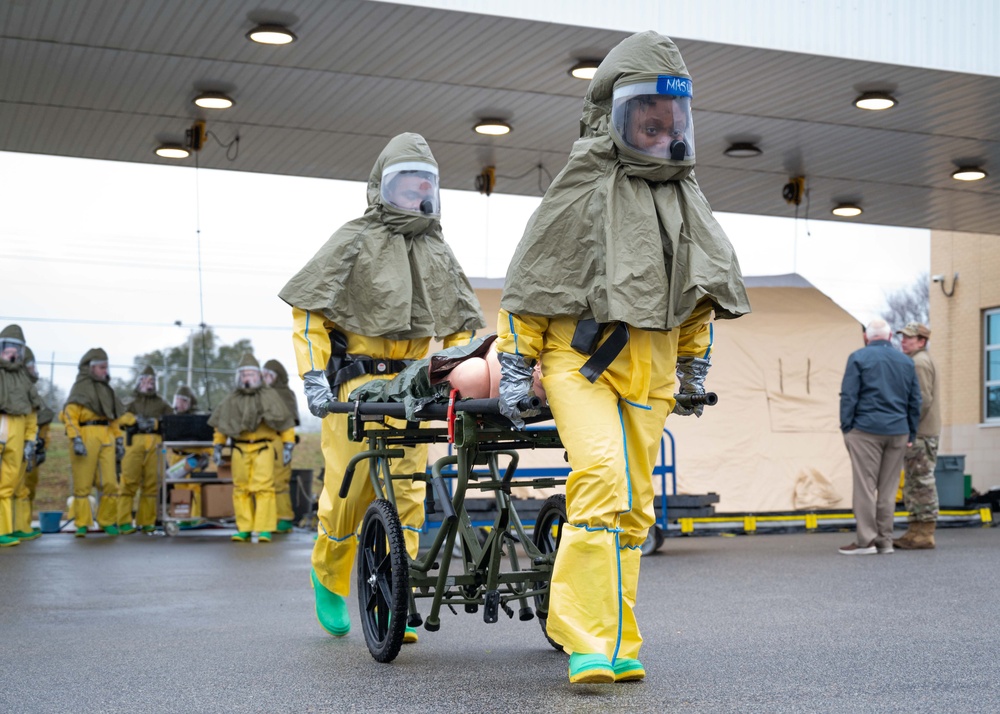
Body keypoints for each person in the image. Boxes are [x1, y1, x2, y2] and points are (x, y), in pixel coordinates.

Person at [496, 32, 750, 684]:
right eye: (647, 118)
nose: (662, 131)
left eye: (672, 120)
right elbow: (533, 279)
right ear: (616, 115)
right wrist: (518, 363)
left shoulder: (686, 193)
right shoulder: (581, 183)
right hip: (580, 366)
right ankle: (584, 638)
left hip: (653, 367)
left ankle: (617, 641)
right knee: (604, 482)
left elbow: (700, 289)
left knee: (635, 506)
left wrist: (694, 362)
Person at [279, 132, 485, 641]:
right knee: (348, 493)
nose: (418, 194)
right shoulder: (354, 238)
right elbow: (308, 309)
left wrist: (458, 371)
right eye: (406, 184)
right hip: (356, 390)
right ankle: (327, 577)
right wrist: (312, 374)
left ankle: (396, 592)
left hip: (415, 390)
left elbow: (460, 324)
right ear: (382, 188)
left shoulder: (437, 250)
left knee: (409, 494)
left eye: (426, 185)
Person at [838, 319, 921, 556]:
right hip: (898, 431)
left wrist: (846, 427)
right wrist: (911, 432)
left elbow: (849, 395)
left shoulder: (858, 358)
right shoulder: (906, 361)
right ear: (889, 337)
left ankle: (867, 541)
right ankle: (885, 541)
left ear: (867, 337)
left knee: (865, 488)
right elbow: (915, 400)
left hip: (865, 430)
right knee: (888, 488)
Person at [208, 354, 296, 543]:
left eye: (251, 374)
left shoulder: (270, 396)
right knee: (241, 489)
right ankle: (244, 528)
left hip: (264, 448)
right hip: (239, 449)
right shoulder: (231, 399)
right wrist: (218, 446)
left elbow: (285, 422)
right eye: (244, 374)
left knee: (264, 488)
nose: (248, 378)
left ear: (258, 376)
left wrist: (288, 445)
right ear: (240, 377)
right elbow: (221, 425)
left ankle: (264, 528)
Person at [62, 347, 125, 537]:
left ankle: (107, 521)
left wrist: (119, 440)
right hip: (85, 435)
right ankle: (82, 523)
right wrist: (76, 438)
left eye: (106, 367)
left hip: (106, 436)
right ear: (91, 368)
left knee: (110, 482)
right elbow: (70, 416)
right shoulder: (80, 389)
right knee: (83, 482)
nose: (105, 371)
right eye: (101, 367)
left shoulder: (107, 391)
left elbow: (113, 418)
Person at [894, 322, 941, 549]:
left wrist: (909, 428)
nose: (903, 341)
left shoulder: (919, 363)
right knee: (914, 481)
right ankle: (915, 531)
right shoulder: (918, 360)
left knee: (921, 481)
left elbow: (922, 401)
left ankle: (924, 533)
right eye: (902, 337)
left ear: (921, 341)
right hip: (922, 431)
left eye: (909, 338)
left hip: (920, 432)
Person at [0, 325, 43, 547]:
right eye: (8, 348)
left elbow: (32, 415)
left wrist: (29, 440)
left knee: (10, 482)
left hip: (17, 432)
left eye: (17, 348)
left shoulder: (24, 380)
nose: (12, 353)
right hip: (3, 426)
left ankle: (9, 529)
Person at [117, 366, 173, 535]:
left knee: (152, 484)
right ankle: (124, 521)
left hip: (155, 444)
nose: (149, 384)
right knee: (128, 481)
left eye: (152, 381)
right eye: (145, 380)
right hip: (133, 442)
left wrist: (155, 424)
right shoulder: (129, 401)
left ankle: (147, 521)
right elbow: (118, 417)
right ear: (139, 382)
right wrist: (133, 420)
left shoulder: (162, 403)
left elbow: (171, 421)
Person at [12, 346, 55, 541]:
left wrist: (42, 447)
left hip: (30, 449)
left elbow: (42, 422)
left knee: (26, 488)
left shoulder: (32, 392)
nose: (34, 369)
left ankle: (23, 525)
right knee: (9, 487)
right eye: (30, 365)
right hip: (11, 445)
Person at [262, 359, 299, 533]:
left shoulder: (285, 394)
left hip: (280, 442)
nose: (265, 378)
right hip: (263, 444)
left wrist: (288, 446)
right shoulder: (261, 394)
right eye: (264, 375)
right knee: (264, 482)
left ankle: (284, 518)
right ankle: (269, 519)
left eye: (269, 375)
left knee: (279, 481)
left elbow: (289, 422)